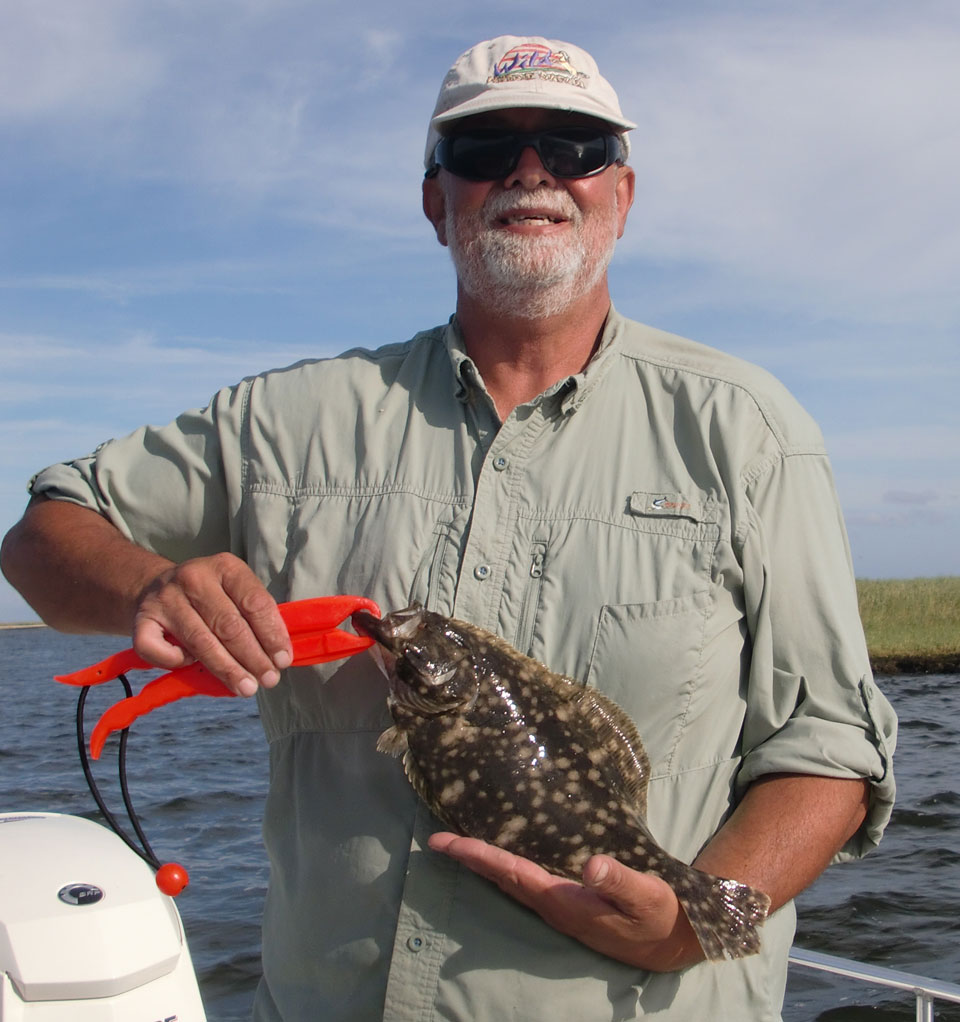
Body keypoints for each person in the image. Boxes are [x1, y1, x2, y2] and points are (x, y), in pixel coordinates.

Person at [1, 35, 896, 1022]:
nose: (530, 171)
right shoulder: (287, 421)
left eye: (575, 146)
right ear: (437, 202)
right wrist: (144, 585)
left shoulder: (749, 432)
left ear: (623, 194)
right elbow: (43, 532)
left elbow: (832, 745)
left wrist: (687, 923)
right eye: (484, 151)